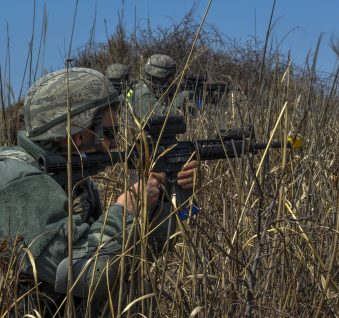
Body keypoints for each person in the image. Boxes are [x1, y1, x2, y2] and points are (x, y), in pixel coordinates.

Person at [0, 67, 197, 314]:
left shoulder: (76, 184)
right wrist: (126, 209)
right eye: (110, 132)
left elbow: (130, 261)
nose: (115, 143)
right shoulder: (16, 182)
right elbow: (86, 276)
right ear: (79, 135)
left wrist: (168, 198)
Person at [127, 54, 193, 120]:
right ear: (161, 76)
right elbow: (162, 117)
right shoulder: (142, 93)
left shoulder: (150, 88)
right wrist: (181, 98)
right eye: (170, 75)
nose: (172, 79)